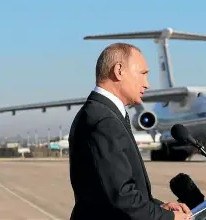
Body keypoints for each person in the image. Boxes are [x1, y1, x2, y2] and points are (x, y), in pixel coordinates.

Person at [68, 43, 192, 220]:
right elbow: (122, 198)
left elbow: (113, 192)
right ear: (119, 71)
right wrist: (169, 218)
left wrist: (159, 208)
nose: (147, 84)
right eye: (143, 74)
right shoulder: (104, 120)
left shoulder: (99, 112)